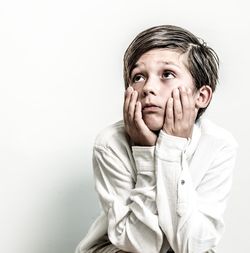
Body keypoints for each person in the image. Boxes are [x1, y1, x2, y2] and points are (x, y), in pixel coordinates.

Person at [75, 25, 238, 253]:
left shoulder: (219, 144)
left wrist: (171, 150)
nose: (148, 88)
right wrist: (146, 152)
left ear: (201, 96)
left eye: (167, 75)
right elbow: (139, 244)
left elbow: (194, 245)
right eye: (138, 77)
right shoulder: (110, 143)